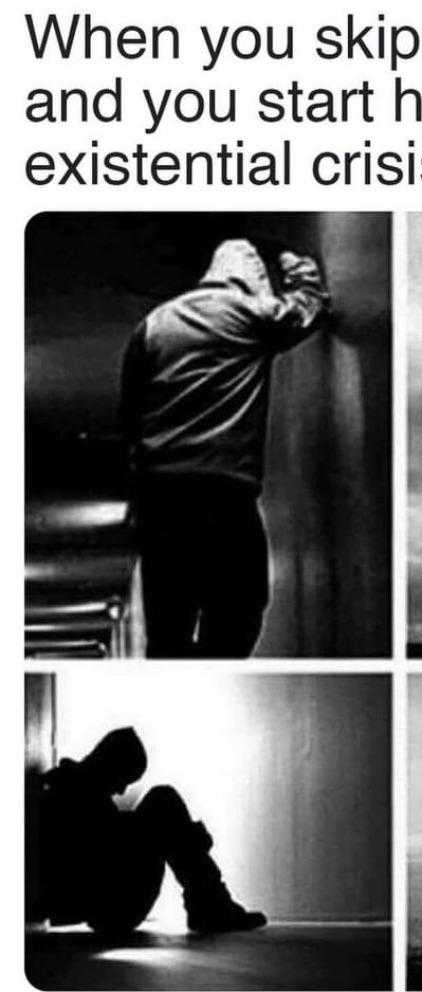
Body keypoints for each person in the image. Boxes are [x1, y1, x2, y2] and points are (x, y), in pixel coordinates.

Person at [121, 238, 330, 659]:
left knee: (167, 624)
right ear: (252, 282)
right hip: (225, 493)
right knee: (240, 609)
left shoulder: (155, 322)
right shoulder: (252, 313)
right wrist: (297, 268)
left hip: (161, 497)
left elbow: (130, 410)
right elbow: (310, 306)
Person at [31, 727, 266, 935]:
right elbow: (97, 848)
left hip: (105, 903)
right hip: (107, 905)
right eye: (124, 779)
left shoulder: (67, 787)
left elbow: (106, 838)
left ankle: (210, 905)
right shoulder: (69, 793)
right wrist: (188, 838)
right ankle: (211, 906)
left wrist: (184, 837)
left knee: (165, 807)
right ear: (109, 764)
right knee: (164, 800)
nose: (122, 791)